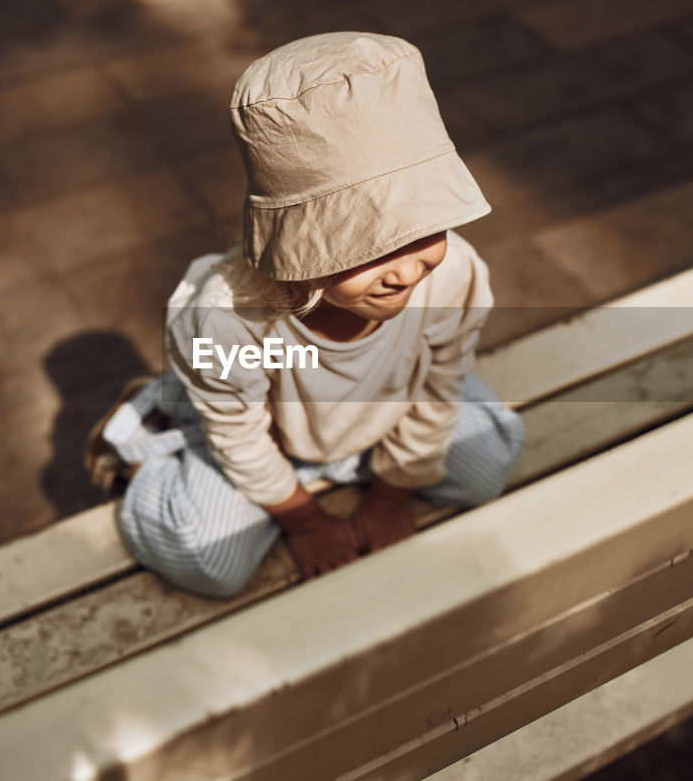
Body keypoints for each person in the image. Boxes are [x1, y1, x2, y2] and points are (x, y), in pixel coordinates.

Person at [84, 32, 525, 597]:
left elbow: (441, 383)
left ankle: (365, 458)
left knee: (490, 465)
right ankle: (141, 444)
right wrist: (305, 520)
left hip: (376, 416)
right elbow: (240, 438)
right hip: (268, 436)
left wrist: (392, 494)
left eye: (425, 226)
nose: (407, 272)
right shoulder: (228, 319)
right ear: (302, 248)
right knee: (209, 561)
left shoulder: (454, 273)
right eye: (366, 248)